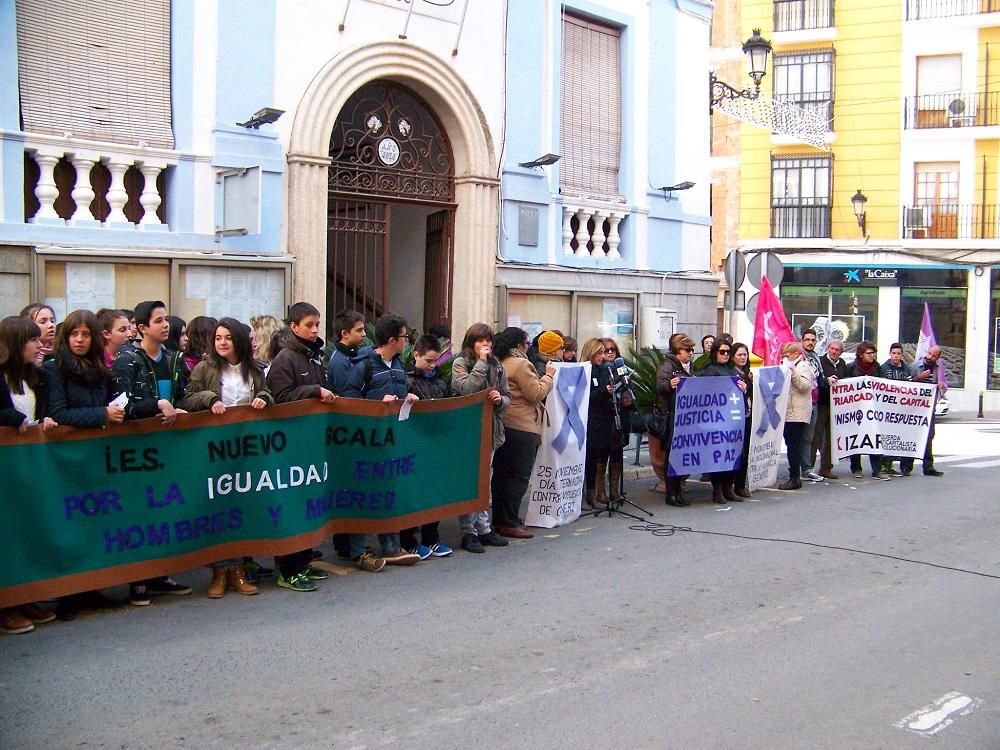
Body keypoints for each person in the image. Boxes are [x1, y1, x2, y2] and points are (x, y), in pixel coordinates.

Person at [44, 309, 127, 620]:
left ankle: (91, 586)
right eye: (74, 334)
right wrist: (101, 415)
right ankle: (68, 594)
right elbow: (59, 412)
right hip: (65, 461)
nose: (79, 340)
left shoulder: (99, 370)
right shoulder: (55, 369)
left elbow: (113, 402)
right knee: (70, 524)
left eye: (85, 334)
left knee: (94, 522)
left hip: (95, 456)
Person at [182, 318, 273, 598]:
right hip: (215, 448)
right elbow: (188, 396)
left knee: (242, 507)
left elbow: (268, 392)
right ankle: (220, 571)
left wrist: (264, 398)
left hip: (246, 449)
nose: (222, 342)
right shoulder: (205, 367)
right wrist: (210, 399)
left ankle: (239, 569)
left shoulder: (253, 368)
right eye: (218, 338)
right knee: (219, 509)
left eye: (227, 338)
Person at [112, 300, 193, 604]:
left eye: (165, 319)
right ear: (142, 327)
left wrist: (186, 407)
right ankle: (138, 581)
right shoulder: (127, 360)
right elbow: (122, 405)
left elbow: (184, 394)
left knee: (165, 510)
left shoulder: (174, 359)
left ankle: (160, 573)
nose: (165, 325)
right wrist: (156, 405)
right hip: (139, 448)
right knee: (141, 512)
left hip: (169, 447)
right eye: (157, 320)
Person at [265, 302, 341, 588]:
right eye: (309, 325)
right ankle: (289, 568)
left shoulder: (314, 357)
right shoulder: (286, 358)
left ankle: (304, 560)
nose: (314, 330)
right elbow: (281, 397)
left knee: (311, 501)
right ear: (294, 326)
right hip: (291, 442)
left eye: (317, 324)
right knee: (294, 504)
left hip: (312, 441)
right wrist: (313, 390)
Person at [342, 314, 421, 567]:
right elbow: (349, 399)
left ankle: (390, 546)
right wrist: (376, 405)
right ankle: (358, 551)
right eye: (404, 337)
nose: (406, 342)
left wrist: (408, 397)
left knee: (387, 492)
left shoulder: (398, 365)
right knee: (363, 495)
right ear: (392, 340)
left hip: (392, 441)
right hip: (367, 441)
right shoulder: (363, 365)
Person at [0, 316, 59, 635]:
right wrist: (10, 417)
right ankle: (6, 605)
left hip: (31, 465)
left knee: (27, 533)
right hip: (6, 469)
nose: (39, 345)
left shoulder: (35, 376)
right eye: (32, 340)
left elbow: (42, 411)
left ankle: (24, 597)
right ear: (15, 343)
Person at [450, 323, 511, 553]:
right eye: (480, 341)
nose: (485, 345)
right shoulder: (460, 363)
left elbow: (508, 397)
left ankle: (484, 529)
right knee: (470, 480)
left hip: (491, 430)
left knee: (485, 480)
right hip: (467, 431)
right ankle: (469, 532)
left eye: (488, 341)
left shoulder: (498, 366)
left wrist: (499, 400)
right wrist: (482, 363)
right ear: (471, 343)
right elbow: (467, 389)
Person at [493, 327, 556, 538]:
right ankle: (511, 521)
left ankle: (499, 519)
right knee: (519, 476)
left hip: (504, 423)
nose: (528, 347)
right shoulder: (521, 364)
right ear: (519, 345)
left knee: (501, 474)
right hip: (523, 424)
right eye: (527, 343)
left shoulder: (498, 361)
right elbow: (535, 393)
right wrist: (548, 377)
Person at [401, 334, 453, 559]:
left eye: (435, 361)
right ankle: (408, 540)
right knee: (413, 493)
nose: (432, 365)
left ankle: (432, 538)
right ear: (416, 355)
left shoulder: (441, 382)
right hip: (414, 445)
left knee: (434, 491)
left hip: (436, 444)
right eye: (428, 361)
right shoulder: (407, 381)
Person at [326, 309, 369, 560]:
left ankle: (346, 543)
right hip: (345, 431)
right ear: (345, 334)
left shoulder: (354, 356)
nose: (364, 335)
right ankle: (345, 544)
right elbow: (347, 394)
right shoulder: (339, 362)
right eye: (359, 331)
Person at [700, 339, 747, 503]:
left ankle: (729, 488)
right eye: (722, 352)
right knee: (718, 457)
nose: (726, 355)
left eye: (728, 352)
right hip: (717, 422)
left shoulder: (732, 370)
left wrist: (743, 388)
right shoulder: (709, 371)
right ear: (715, 353)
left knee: (731, 455)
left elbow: (740, 393)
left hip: (733, 421)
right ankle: (717, 490)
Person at [656, 333, 695, 506]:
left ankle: (678, 491)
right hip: (673, 417)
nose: (691, 353)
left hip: (685, 418)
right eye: (688, 350)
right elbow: (660, 386)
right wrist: (669, 385)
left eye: (692, 350)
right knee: (673, 455)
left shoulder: (687, 366)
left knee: (681, 455)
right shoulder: (667, 366)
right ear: (679, 350)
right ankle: (671, 493)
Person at [579, 338, 614, 508]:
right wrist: (602, 391)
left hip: (604, 419)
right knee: (589, 459)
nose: (603, 356)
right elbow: (585, 397)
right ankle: (585, 494)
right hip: (589, 421)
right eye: (599, 353)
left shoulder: (604, 370)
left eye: (604, 352)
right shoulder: (585, 370)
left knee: (599, 458)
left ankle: (593, 492)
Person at [847, 342, 889, 481]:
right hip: (856, 409)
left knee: (874, 438)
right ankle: (856, 468)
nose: (872, 356)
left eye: (873, 353)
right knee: (856, 438)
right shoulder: (851, 368)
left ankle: (877, 469)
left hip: (873, 410)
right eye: (869, 353)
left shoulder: (877, 368)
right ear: (860, 354)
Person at [902, 345, 945, 477]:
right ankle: (906, 465)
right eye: (929, 354)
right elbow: (905, 384)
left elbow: (943, 385)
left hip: (928, 407)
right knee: (912, 435)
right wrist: (918, 378)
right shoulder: (916, 366)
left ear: (938, 357)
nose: (930, 357)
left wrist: (941, 386)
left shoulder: (938, 368)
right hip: (914, 408)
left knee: (929, 435)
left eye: (933, 355)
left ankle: (928, 466)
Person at [778, 341, 815, 490]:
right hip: (790, 411)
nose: (785, 359)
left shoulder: (802, 366)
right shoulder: (793, 366)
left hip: (797, 413)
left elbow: (804, 386)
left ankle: (794, 477)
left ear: (795, 354)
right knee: (791, 444)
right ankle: (794, 475)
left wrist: (792, 371)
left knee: (794, 445)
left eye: (787, 356)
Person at [600, 337, 631, 503]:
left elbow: (629, 388)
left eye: (613, 349)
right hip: (604, 418)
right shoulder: (598, 369)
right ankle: (599, 492)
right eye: (606, 350)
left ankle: (614, 490)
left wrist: (628, 398)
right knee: (602, 455)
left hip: (620, 417)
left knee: (617, 454)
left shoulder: (621, 368)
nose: (610, 352)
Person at [813, 339, 848, 479]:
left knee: (831, 439)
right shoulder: (821, 361)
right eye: (832, 348)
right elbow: (817, 379)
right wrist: (826, 381)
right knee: (815, 437)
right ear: (827, 348)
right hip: (821, 403)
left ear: (841, 352)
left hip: (836, 406)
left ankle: (826, 468)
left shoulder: (843, 364)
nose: (833, 351)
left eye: (837, 350)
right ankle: (807, 467)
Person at [880, 343, 911, 476]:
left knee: (898, 437)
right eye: (894, 353)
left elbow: (910, 386)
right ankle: (884, 464)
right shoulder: (884, 368)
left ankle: (893, 464)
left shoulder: (906, 369)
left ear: (902, 355)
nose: (896, 356)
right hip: (887, 409)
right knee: (887, 437)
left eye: (899, 353)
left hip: (901, 409)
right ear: (890, 354)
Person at [799, 330, 825, 483]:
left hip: (814, 401)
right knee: (800, 437)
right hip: (802, 402)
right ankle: (802, 468)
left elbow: (819, 377)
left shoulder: (815, 357)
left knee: (808, 437)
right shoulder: (799, 358)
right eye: (807, 339)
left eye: (813, 340)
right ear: (802, 341)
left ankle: (806, 468)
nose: (810, 342)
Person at [731, 342, 753, 498]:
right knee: (736, 452)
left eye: (745, 354)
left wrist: (750, 384)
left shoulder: (747, 372)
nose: (743, 357)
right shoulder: (731, 373)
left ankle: (740, 485)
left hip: (748, 415)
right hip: (734, 418)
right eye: (739, 354)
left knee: (745, 453)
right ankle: (730, 485)